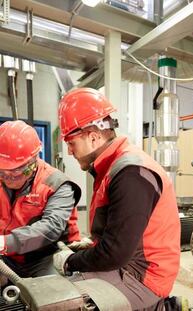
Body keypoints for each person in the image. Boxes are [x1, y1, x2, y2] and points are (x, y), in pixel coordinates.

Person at [53, 88, 181, 311]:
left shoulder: (130, 173)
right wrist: (86, 246)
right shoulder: (113, 168)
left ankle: (157, 306)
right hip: (127, 265)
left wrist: (70, 261)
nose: (69, 150)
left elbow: (115, 253)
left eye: (71, 143)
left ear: (93, 137)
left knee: (62, 302)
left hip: (143, 278)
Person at [0, 120, 81, 278]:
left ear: (31, 164)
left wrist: (4, 243)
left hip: (47, 255)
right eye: (2, 172)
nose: (7, 179)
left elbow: (50, 228)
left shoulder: (58, 184)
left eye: (14, 172)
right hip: (9, 256)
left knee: (51, 297)